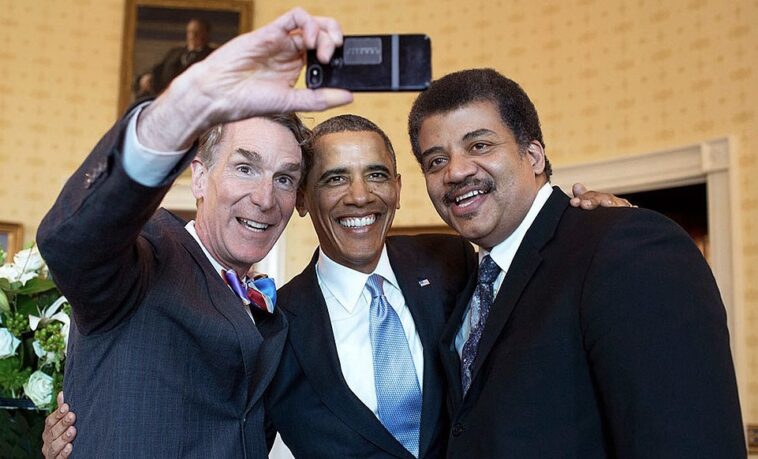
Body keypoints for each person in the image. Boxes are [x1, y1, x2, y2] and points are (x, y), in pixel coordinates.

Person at [41, 113, 628, 459]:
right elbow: (78, 243)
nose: (359, 196)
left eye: (376, 175)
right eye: (333, 179)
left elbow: (532, 299)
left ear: (398, 188)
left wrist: (583, 226)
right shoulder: (268, 316)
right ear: (307, 202)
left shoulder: (451, 262)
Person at [35, 8, 352, 458]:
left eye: (284, 178)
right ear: (200, 178)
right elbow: (70, 243)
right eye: (245, 168)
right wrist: (189, 104)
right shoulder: (146, 255)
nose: (265, 198)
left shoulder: (273, 315)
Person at [406, 68, 745, 457]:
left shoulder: (625, 247)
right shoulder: (467, 281)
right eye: (436, 161)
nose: (456, 171)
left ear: (533, 155)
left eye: (479, 145)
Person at [136, 18, 216, 98]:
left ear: (207, 34)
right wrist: (148, 76)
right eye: (190, 32)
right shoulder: (175, 52)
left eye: (197, 33)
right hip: (168, 96)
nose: (192, 36)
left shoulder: (212, 55)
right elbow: (159, 68)